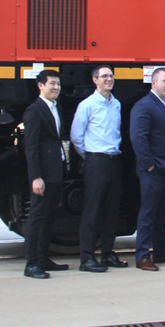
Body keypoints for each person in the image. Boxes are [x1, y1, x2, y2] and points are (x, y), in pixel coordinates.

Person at [70, 65, 127, 273]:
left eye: (111, 76)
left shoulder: (116, 104)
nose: (108, 79)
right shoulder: (87, 105)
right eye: (104, 76)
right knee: (92, 211)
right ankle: (86, 258)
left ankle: (107, 253)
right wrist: (90, 156)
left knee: (111, 211)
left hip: (114, 160)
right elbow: (76, 136)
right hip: (96, 161)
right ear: (95, 80)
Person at [131, 67, 165, 271]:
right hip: (154, 170)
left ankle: (161, 251)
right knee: (148, 212)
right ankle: (142, 255)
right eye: (164, 81)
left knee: (163, 212)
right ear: (153, 83)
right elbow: (139, 137)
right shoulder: (144, 106)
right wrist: (150, 165)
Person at [22, 70, 69, 279]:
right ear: (40, 85)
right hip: (43, 174)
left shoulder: (56, 108)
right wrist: (35, 177)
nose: (56, 88)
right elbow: (30, 147)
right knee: (37, 217)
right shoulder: (34, 111)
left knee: (49, 216)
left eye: (58, 84)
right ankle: (31, 263)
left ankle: (43, 257)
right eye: (52, 84)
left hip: (55, 171)